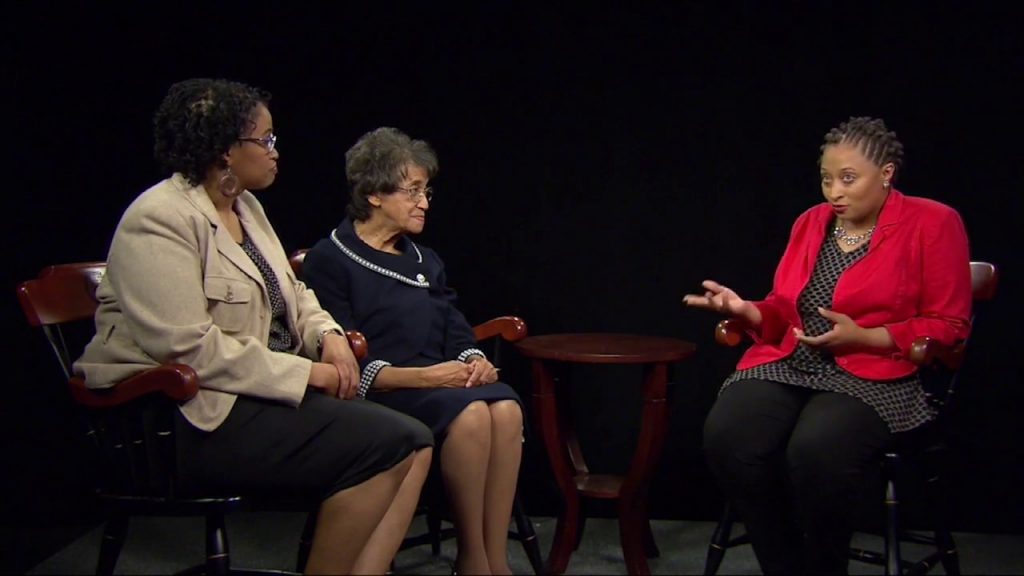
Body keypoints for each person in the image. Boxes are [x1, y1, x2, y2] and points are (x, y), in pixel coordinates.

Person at [73, 79, 434, 575]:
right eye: (264, 140)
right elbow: (188, 348)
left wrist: (327, 336)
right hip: (188, 415)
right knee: (387, 444)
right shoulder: (159, 218)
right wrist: (306, 374)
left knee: (413, 440)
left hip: (253, 394)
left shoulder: (245, 206)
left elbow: (295, 293)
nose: (274, 151)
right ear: (224, 150)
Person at [683, 116, 972, 574]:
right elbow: (783, 306)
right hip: (791, 362)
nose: (833, 192)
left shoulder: (933, 222)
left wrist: (868, 336)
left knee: (815, 450)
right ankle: (787, 565)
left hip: (875, 370)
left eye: (848, 179)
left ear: (887, 174)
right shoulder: (811, 222)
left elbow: (950, 323)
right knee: (729, 436)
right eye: (826, 179)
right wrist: (745, 311)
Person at [302, 127, 524, 576]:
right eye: (413, 191)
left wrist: (472, 359)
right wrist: (426, 378)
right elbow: (342, 357)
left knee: (507, 410)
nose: (425, 202)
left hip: (439, 382)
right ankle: (473, 560)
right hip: (381, 390)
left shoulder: (426, 260)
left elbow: (455, 327)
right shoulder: (332, 258)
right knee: (475, 415)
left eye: (427, 191)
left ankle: (493, 559)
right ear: (375, 194)